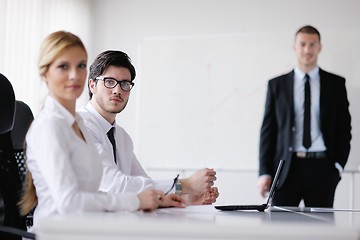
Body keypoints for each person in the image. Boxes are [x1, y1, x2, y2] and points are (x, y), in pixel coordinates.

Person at [19, 31, 185, 229]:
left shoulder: (77, 123)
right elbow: (68, 202)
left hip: (91, 228)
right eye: (64, 66)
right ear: (45, 73)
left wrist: (156, 199)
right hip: (60, 233)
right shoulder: (49, 126)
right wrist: (136, 201)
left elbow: (97, 191)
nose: (74, 75)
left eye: (81, 66)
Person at [77, 50, 219, 205]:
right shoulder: (80, 126)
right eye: (109, 82)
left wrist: (186, 198)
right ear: (92, 85)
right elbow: (115, 185)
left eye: (125, 84)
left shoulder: (122, 137)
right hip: (84, 224)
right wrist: (186, 185)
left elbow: (144, 185)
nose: (117, 90)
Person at [258, 25, 351, 207]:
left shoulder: (336, 84)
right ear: (295, 47)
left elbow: (344, 128)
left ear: (319, 47)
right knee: (281, 228)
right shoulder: (276, 85)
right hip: (286, 168)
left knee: (321, 232)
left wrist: (338, 166)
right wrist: (264, 172)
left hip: (323, 168)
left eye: (312, 44)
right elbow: (268, 131)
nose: (307, 50)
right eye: (303, 44)